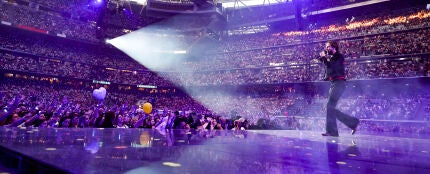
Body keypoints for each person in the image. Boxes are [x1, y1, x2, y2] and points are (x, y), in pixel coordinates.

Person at [318, 40, 359, 137]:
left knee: (329, 107)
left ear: (334, 47)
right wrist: (323, 59)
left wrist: (324, 59)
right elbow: (329, 70)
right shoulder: (332, 58)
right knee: (330, 108)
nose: (327, 49)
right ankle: (351, 123)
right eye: (326, 47)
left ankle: (334, 131)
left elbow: (333, 68)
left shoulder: (339, 57)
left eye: (329, 47)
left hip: (339, 83)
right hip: (334, 83)